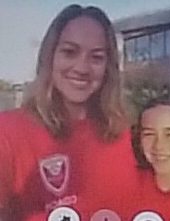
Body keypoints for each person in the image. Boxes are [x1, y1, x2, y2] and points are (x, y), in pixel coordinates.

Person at [0, 5, 139, 221]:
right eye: (69, 52)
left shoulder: (123, 133)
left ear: (108, 67)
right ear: (50, 57)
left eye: (96, 57)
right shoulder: (8, 133)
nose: (82, 68)